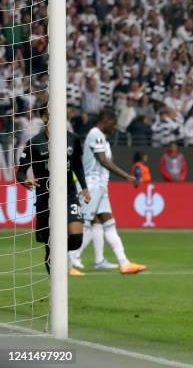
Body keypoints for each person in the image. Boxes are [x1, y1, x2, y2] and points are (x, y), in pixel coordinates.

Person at [68, 108, 147, 275]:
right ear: (106, 121)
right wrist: (127, 176)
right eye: (114, 124)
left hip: (101, 186)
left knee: (108, 224)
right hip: (92, 186)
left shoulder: (102, 138)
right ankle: (68, 264)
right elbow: (103, 161)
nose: (115, 128)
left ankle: (124, 264)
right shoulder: (95, 134)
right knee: (86, 224)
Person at [16, 107, 91, 277]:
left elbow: (77, 165)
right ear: (44, 117)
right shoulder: (34, 143)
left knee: (76, 240)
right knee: (50, 246)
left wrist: (84, 187)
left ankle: (62, 255)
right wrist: (24, 180)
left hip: (69, 194)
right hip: (45, 198)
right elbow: (20, 171)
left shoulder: (72, 139)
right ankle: (55, 290)